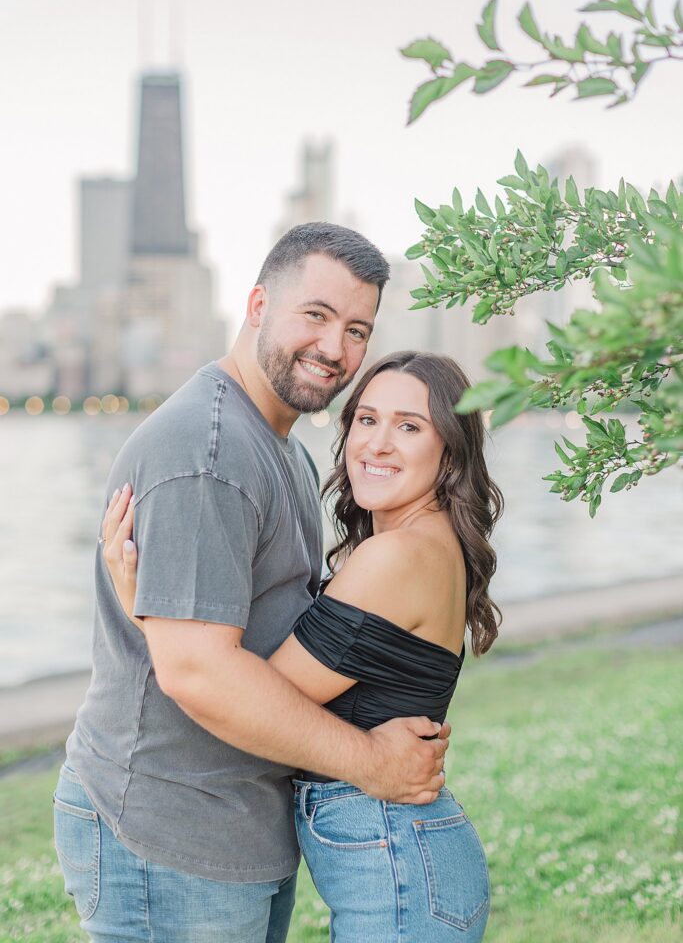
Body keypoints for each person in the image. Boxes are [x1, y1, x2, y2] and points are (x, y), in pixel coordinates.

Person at [53, 223, 450, 943]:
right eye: (316, 315)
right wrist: (373, 764)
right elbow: (199, 672)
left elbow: (258, 641)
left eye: (356, 329)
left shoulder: (281, 448)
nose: (334, 347)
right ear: (258, 304)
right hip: (171, 828)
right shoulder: (208, 451)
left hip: (238, 824)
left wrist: (153, 622)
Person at [103, 350, 503, 941]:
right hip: (409, 856)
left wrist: (147, 606)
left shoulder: (396, 556)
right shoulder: (427, 543)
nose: (377, 444)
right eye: (367, 419)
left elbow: (255, 698)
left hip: (398, 865)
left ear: (450, 450)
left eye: (409, 427)